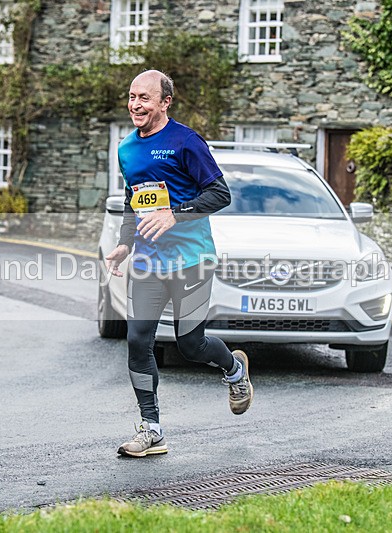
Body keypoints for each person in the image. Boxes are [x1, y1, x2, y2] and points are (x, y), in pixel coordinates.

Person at [105, 70, 253, 458]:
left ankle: (234, 370)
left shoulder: (186, 142)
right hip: (148, 263)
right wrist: (125, 243)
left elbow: (220, 193)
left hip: (192, 260)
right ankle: (152, 430)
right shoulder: (126, 149)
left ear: (165, 102)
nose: (136, 105)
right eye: (132, 96)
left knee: (190, 344)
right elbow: (131, 199)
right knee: (138, 342)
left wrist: (175, 213)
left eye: (145, 98)